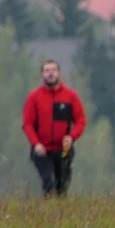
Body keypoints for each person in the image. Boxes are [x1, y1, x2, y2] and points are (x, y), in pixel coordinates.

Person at [22, 60, 87, 197]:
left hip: (63, 149)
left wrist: (72, 137)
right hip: (42, 150)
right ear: (42, 75)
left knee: (62, 183)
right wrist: (36, 144)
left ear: (59, 73)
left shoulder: (70, 96)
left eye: (53, 70)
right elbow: (28, 124)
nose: (50, 73)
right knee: (48, 180)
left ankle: (61, 212)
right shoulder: (34, 97)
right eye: (47, 70)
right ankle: (47, 211)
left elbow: (80, 121)